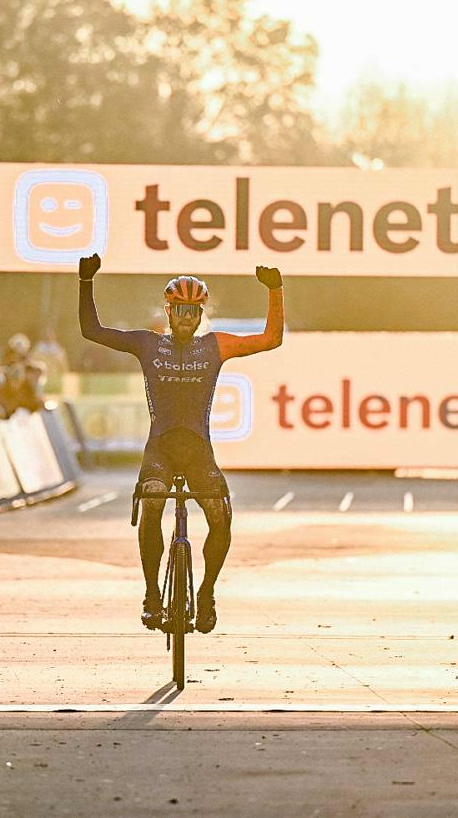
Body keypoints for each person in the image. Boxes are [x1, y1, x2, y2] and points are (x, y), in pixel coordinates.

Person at [78, 253, 284, 633]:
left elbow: (271, 339)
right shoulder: (147, 344)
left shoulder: (216, 346)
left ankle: (206, 594)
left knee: (220, 516)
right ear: (169, 311)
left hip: (198, 452)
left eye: (193, 311)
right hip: (160, 449)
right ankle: (152, 595)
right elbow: (92, 330)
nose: (187, 319)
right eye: (180, 311)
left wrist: (275, 290)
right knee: (154, 500)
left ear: (201, 314)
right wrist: (85, 282)